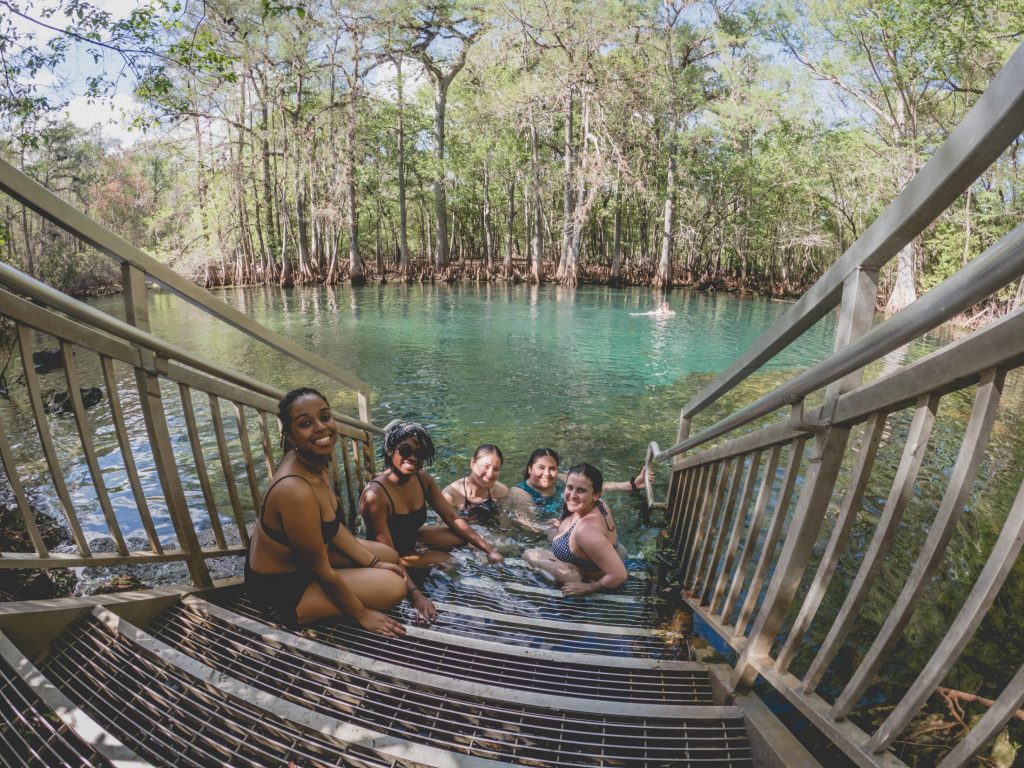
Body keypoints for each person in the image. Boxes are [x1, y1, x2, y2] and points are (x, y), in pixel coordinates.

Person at [245, 388, 409, 635]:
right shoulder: (295, 490)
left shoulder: (313, 461)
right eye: (305, 423)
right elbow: (319, 568)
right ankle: (316, 610)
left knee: (389, 556)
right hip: (283, 590)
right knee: (394, 587)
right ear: (290, 435)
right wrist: (361, 614)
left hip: (300, 562)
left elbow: (331, 527)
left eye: (324, 417)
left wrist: (374, 563)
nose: (321, 427)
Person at [361, 421, 504, 585]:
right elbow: (387, 554)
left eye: (420, 453)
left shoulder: (422, 478)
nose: (413, 457)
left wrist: (489, 550)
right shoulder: (375, 495)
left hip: (411, 539)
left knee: (462, 537)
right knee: (450, 561)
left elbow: (451, 516)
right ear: (390, 449)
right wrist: (416, 596)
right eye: (405, 450)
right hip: (387, 555)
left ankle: (425, 559)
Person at [523, 463, 628, 595]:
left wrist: (588, 587)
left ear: (596, 495)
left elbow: (619, 575)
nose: (572, 495)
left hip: (580, 574)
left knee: (528, 554)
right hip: (615, 554)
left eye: (581, 490)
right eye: (570, 487)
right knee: (551, 531)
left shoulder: (587, 532)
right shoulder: (599, 505)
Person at [508, 447, 647, 529]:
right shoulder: (520, 493)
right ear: (530, 469)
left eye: (552, 469)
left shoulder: (558, 479)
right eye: (541, 468)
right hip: (548, 531)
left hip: (567, 522)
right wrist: (548, 527)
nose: (547, 474)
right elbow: (528, 524)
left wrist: (632, 485)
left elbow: (592, 486)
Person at [441, 444, 510, 520]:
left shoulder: (501, 492)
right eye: (485, 466)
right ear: (473, 463)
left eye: (496, 469)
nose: (490, 475)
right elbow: (442, 527)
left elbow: (505, 523)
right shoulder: (451, 495)